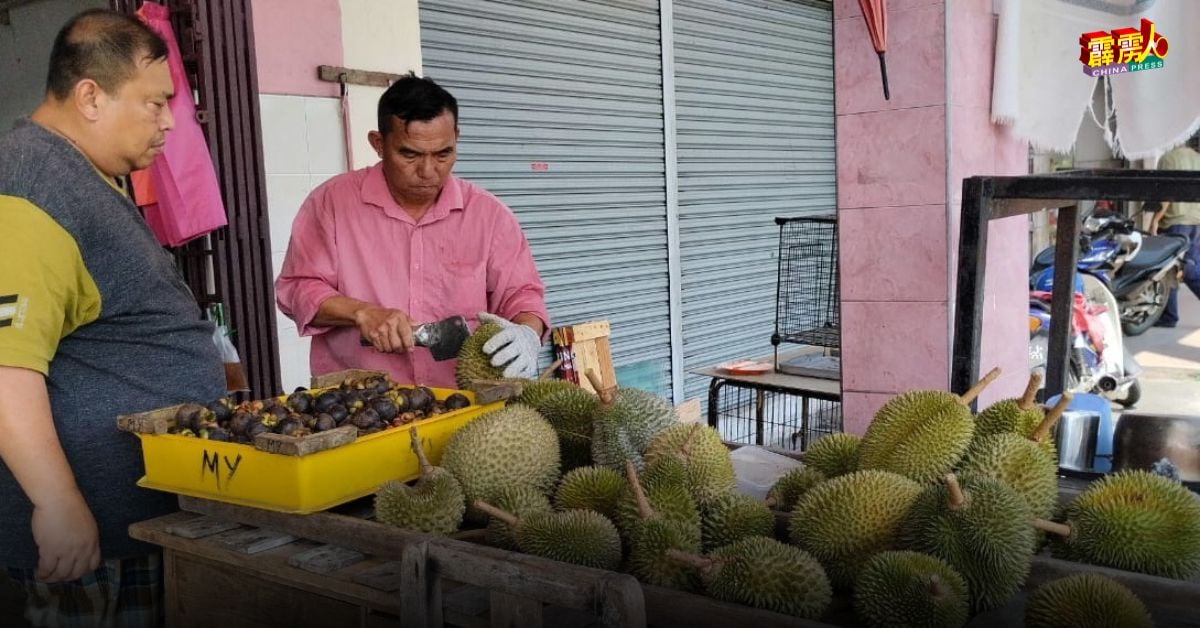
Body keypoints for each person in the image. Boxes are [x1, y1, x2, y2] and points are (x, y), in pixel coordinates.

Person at [0, 10, 226, 627]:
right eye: (155, 103)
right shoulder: (30, 186)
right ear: (91, 96)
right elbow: (5, 367)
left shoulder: (89, 174)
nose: (168, 121)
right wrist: (58, 503)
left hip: (136, 522)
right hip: (88, 544)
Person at [276, 73, 549, 388]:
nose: (428, 171)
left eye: (443, 154)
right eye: (410, 154)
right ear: (379, 144)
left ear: (457, 139)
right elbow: (297, 288)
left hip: (466, 403)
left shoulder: (489, 215)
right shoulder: (331, 204)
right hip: (357, 401)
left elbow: (522, 294)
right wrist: (361, 313)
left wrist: (527, 332)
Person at [1147, 142, 1200, 328]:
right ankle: (1169, 316)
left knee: (1169, 269)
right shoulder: (1197, 158)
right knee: (1191, 266)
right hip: (1196, 221)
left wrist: (1155, 219)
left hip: (1175, 222)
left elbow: (1168, 193)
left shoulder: (1168, 159)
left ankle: (1169, 316)